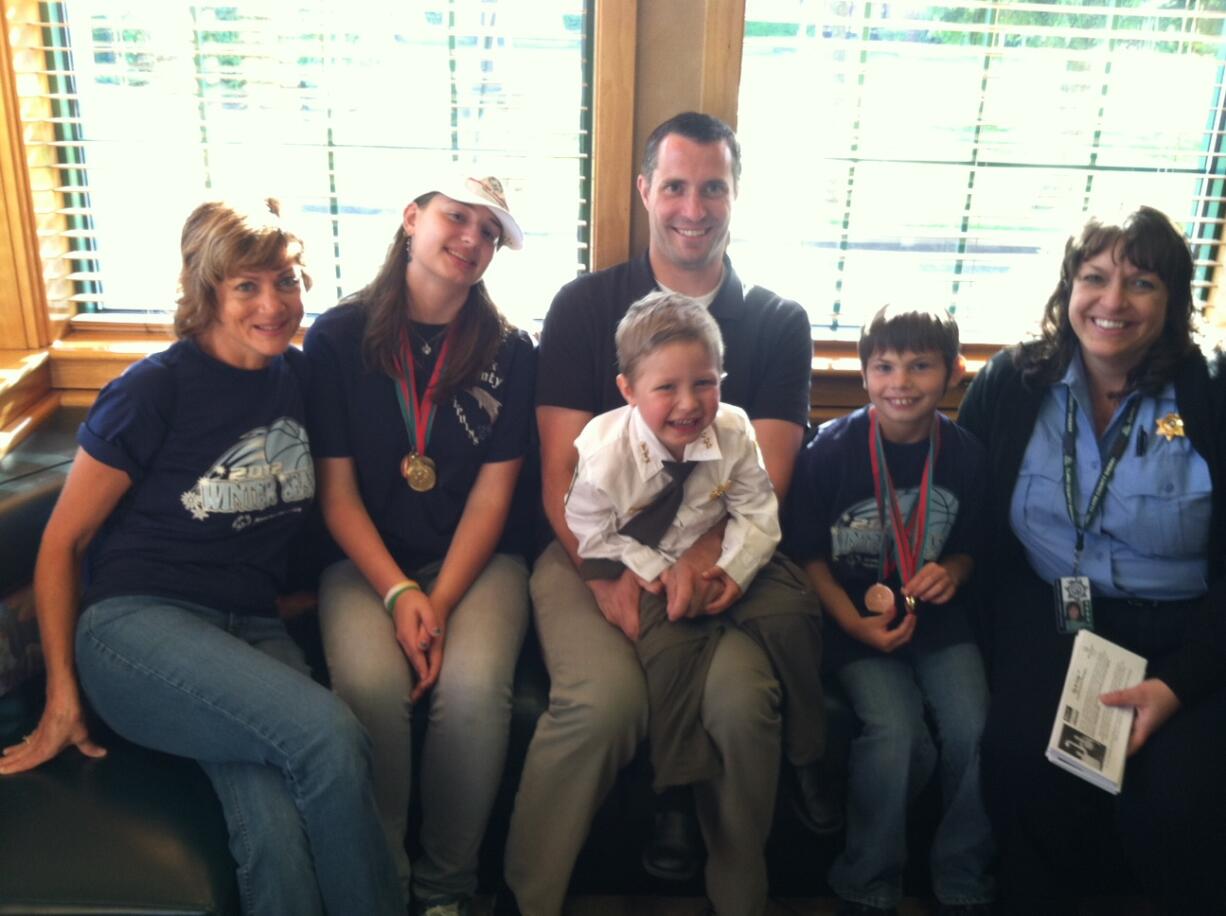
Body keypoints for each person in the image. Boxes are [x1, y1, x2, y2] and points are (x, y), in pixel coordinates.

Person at [0, 198, 402, 915]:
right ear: (206, 291)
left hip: (250, 629)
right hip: (136, 630)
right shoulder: (155, 388)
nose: (273, 304)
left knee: (276, 826)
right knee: (330, 736)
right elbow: (63, 543)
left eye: (285, 279)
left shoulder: (301, 379)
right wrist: (62, 698)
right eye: (246, 285)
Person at [503, 111, 821, 916]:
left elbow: (769, 481)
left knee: (745, 704)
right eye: (674, 186)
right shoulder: (584, 306)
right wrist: (608, 580)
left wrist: (705, 569)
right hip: (594, 548)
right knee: (603, 703)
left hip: (725, 556)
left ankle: (737, 891)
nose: (693, 207)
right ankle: (527, 897)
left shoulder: (778, 322)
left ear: (735, 196)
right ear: (645, 191)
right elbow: (559, 478)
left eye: (712, 187)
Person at [957, 205, 1226, 913]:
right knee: (1024, 767)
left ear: (1171, 301)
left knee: (1173, 805)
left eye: (1140, 283)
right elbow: (970, 525)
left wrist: (1177, 684)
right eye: (1095, 277)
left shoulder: (1212, 396)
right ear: (1067, 287)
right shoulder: (1013, 383)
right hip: (1054, 618)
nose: (1112, 301)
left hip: (1188, 635)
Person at [303, 173, 535, 916]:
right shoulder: (337, 337)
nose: (471, 240)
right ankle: (383, 884)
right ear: (412, 218)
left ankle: (444, 891)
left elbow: (493, 498)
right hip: (365, 560)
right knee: (372, 688)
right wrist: (400, 592)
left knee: (470, 695)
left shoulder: (511, 347)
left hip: (475, 562)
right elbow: (336, 496)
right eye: (456, 218)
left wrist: (434, 600)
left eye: (490, 232)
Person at [565, 291, 823, 797]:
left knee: (792, 614)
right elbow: (591, 533)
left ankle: (810, 751)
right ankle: (677, 790)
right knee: (669, 646)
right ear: (628, 390)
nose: (689, 403)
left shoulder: (734, 430)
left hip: (726, 542)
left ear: (721, 380)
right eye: (667, 387)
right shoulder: (602, 455)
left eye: (704, 383)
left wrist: (734, 570)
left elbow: (757, 510)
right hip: (645, 558)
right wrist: (655, 572)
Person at [787, 305, 995, 916]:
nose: (900, 382)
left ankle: (961, 872)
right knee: (898, 733)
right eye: (885, 366)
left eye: (920, 366)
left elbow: (971, 552)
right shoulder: (828, 452)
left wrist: (952, 571)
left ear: (954, 373)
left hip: (939, 622)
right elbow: (806, 556)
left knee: (976, 728)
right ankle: (867, 877)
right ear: (863, 373)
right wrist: (851, 623)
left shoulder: (967, 456)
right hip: (854, 624)